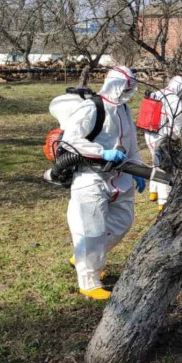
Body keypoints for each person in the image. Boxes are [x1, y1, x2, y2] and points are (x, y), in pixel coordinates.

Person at [63, 66, 146, 300]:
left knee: (123, 222)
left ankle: (82, 256)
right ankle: (89, 283)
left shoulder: (124, 109)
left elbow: (130, 143)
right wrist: (102, 152)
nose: (129, 93)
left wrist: (138, 168)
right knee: (91, 231)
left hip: (120, 176)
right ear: (115, 85)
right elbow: (70, 141)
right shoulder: (91, 108)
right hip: (91, 176)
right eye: (126, 88)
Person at [143, 75, 182, 210]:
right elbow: (177, 120)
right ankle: (163, 201)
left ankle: (153, 192)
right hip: (162, 136)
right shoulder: (173, 99)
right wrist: (177, 136)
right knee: (164, 167)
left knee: (155, 163)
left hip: (149, 133)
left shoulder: (157, 93)